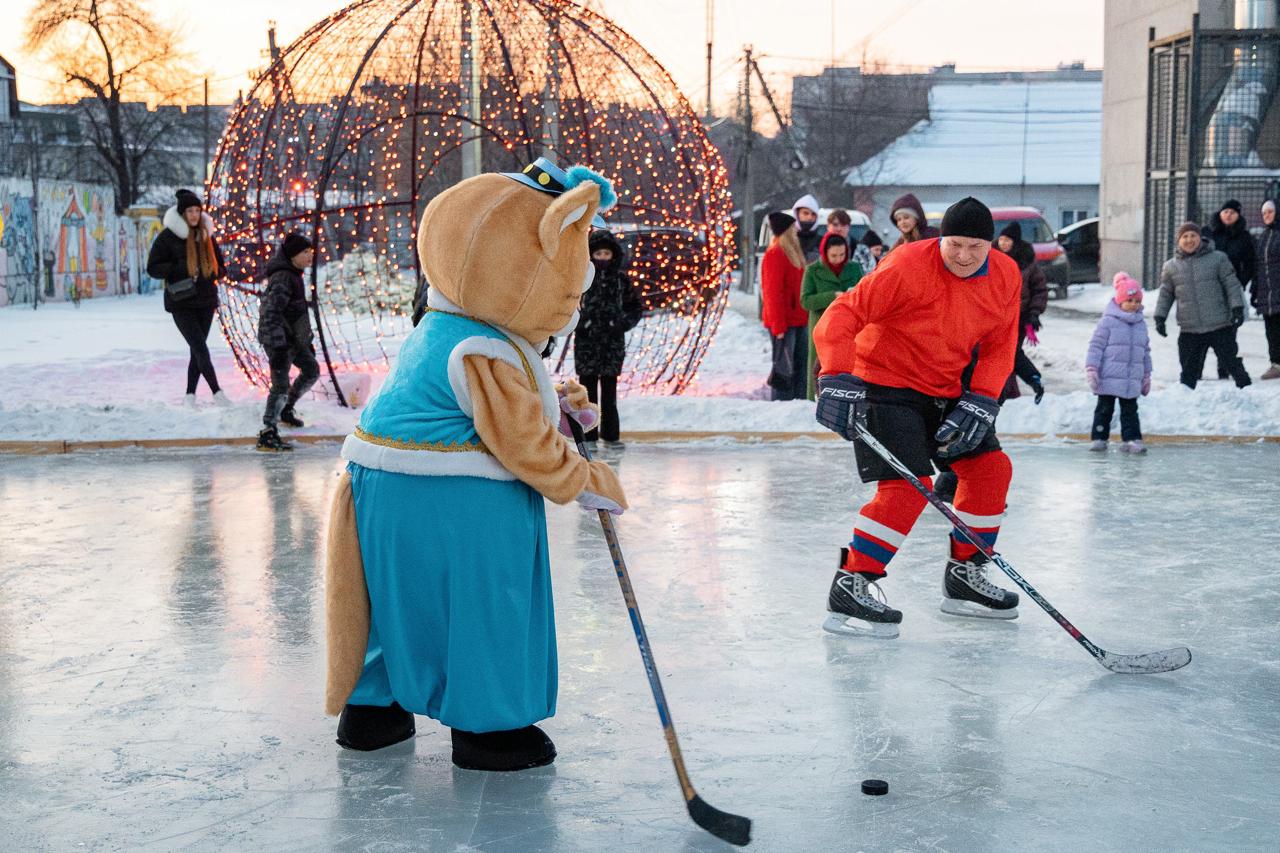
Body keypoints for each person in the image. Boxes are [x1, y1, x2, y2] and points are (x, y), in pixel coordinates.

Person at [813, 197, 1022, 638]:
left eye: (975, 247)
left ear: (990, 247)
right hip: (883, 384)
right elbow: (841, 315)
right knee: (909, 486)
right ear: (940, 238)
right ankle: (852, 581)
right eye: (955, 245)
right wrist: (835, 374)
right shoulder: (906, 265)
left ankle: (965, 574)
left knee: (990, 470)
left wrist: (983, 397)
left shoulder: (1005, 275)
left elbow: (1003, 343)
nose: (964, 256)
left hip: (945, 389)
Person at [146, 189, 228, 405]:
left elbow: (222, 268)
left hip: (206, 300)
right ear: (182, 214)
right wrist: (179, 267)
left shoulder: (206, 237)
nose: (194, 215)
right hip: (181, 301)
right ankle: (217, 392)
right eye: (190, 211)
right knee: (200, 347)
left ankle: (189, 396)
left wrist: (211, 270)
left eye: (197, 210)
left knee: (196, 350)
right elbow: (153, 268)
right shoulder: (168, 237)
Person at [1154, 222, 1251, 389]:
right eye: (1185, 236)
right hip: (1189, 328)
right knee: (1188, 370)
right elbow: (1165, 293)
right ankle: (1187, 400)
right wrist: (1160, 317)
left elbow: (1231, 284)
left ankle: (1247, 390)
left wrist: (1237, 308)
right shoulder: (1171, 267)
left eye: (1193, 236)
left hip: (1219, 324)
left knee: (1231, 362)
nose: (1189, 240)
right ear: (1179, 241)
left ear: (1200, 238)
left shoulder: (1218, 258)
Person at [574, 230, 644, 444]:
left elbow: (635, 308)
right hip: (587, 345)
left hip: (611, 346)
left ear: (613, 255)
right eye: (598, 254)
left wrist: (621, 324)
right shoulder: (581, 279)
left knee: (609, 395)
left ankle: (611, 435)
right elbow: (567, 305)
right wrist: (580, 323)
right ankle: (589, 435)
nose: (602, 258)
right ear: (591, 255)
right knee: (587, 394)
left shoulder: (621, 280)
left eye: (606, 253)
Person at [256, 232, 321, 452]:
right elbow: (271, 312)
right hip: (278, 341)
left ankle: (286, 409)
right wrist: (279, 348)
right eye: (305, 252)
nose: (310, 255)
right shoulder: (284, 277)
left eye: (310, 251)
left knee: (311, 370)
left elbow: (294, 313)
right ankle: (268, 431)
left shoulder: (294, 274)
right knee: (280, 385)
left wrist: (304, 340)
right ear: (293, 255)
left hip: (292, 339)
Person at [1086, 273, 1152, 454]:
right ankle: (1099, 437)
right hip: (1108, 376)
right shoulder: (1107, 322)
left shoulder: (1141, 324)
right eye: (1129, 300)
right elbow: (1095, 347)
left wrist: (1146, 375)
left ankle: (1132, 439)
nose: (1133, 305)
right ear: (1120, 301)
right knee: (1104, 409)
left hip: (1132, 378)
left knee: (1130, 411)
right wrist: (1092, 369)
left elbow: (1145, 351)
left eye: (1137, 301)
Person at [800, 233, 862, 400]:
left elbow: (864, 293)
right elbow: (805, 301)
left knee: (847, 364)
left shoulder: (855, 268)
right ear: (825, 253)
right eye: (833, 255)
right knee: (818, 366)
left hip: (848, 326)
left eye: (842, 255)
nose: (837, 259)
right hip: (821, 325)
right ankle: (814, 400)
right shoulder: (812, 270)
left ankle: (846, 398)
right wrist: (832, 296)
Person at [1203, 200, 1257, 379]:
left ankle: (1224, 367)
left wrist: (1239, 281)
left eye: (1232, 212)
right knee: (1202, 328)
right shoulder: (1207, 233)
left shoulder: (1244, 237)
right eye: (1225, 211)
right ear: (1220, 212)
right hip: (1208, 288)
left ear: (1238, 215)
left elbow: (1250, 263)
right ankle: (1195, 368)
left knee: (1228, 329)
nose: (1228, 215)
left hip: (1230, 290)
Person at [761, 211, 809, 401]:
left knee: (799, 366)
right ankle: (782, 405)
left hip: (798, 319)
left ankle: (799, 402)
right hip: (784, 322)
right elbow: (773, 294)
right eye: (792, 229)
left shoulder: (793, 254)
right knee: (784, 368)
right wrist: (779, 326)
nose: (795, 232)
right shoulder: (775, 254)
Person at [1254, 199, 1280, 379]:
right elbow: (1258, 265)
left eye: (1270, 211)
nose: (1267, 215)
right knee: (1271, 330)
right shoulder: (1263, 236)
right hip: (1267, 292)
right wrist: (1256, 289)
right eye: (1264, 213)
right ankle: (1276, 364)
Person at [793, 194, 823, 262]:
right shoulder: (788, 240)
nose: (809, 217)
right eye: (805, 213)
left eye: (813, 214)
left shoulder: (822, 242)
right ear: (797, 214)